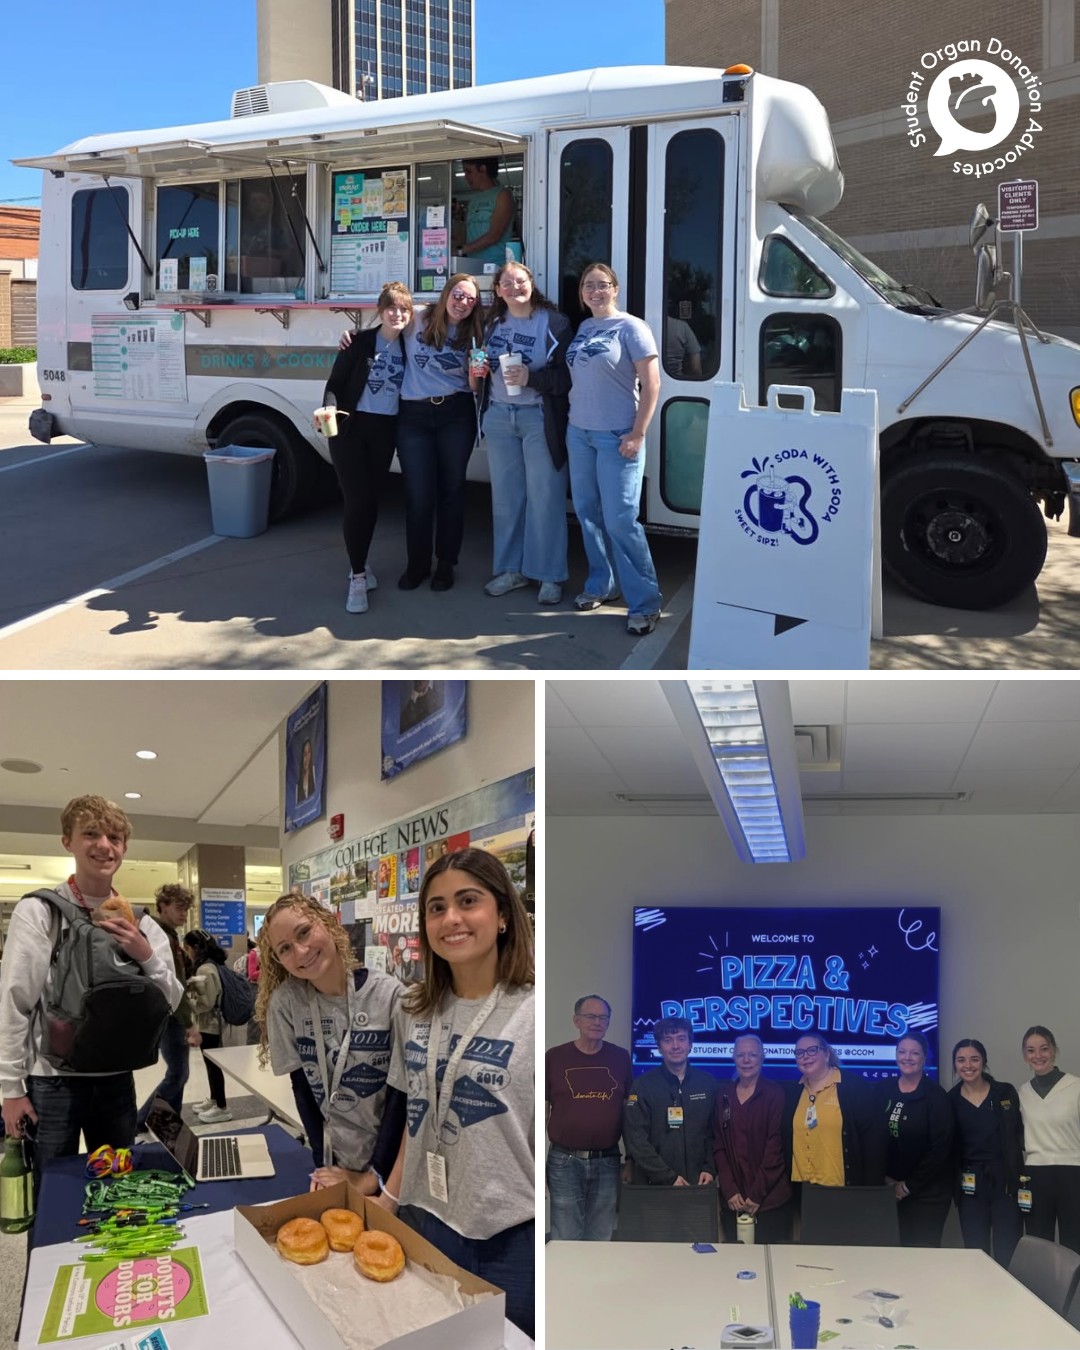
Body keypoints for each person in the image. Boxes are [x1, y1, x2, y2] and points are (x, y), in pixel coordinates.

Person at [376, 848, 534, 1339]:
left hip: (508, 1235)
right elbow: (416, 1114)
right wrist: (389, 1198)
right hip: (426, 1220)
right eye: (437, 907)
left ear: (502, 914)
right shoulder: (413, 1009)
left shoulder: (532, 1010)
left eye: (468, 901)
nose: (451, 919)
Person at [0, 796, 183, 1190]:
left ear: (124, 847)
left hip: (116, 1076)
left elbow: (171, 1000)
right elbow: (15, 1002)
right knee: (53, 1191)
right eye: (91, 834)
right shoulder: (41, 911)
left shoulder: (143, 922)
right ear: (67, 841)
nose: (104, 845)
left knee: (117, 1188)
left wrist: (144, 953)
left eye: (114, 837)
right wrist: (11, 1088)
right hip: (53, 1078)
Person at [257, 893, 405, 1192]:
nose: (301, 952)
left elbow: (401, 1096)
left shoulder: (389, 996)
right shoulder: (286, 1005)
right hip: (334, 1161)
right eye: (285, 948)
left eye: (304, 932)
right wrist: (323, 1167)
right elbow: (303, 1090)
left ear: (329, 923)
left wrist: (375, 1176)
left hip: (393, 1167)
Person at [346, 275, 484, 592]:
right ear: (446, 293)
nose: (463, 303)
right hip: (414, 416)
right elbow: (388, 326)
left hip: (456, 413)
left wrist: (477, 374)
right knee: (418, 494)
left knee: (451, 492)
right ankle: (418, 565)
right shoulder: (419, 317)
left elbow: (475, 386)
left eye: (470, 299)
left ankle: (446, 564)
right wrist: (353, 337)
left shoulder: (475, 332)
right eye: (458, 294)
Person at [565, 263, 662, 635]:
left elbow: (652, 384)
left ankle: (645, 603)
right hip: (579, 433)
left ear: (615, 289)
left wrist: (638, 433)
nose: (594, 291)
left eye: (602, 285)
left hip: (618, 435)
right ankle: (601, 584)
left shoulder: (632, 327)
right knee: (588, 513)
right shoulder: (585, 328)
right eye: (587, 285)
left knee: (621, 520)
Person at [472, 261, 572, 606]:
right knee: (506, 498)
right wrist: (479, 369)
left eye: (520, 281)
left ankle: (549, 575)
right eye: (507, 283)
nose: (514, 287)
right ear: (498, 291)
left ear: (531, 283)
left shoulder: (554, 323)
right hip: (499, 416)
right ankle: (511, 570)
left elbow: (567, 378)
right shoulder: (491, 324)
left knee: (546, 497)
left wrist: (532, 378)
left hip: (538, 417)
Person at [321, 281, 411, 613]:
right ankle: (357, 576)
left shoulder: (410, 346)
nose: (397, 314)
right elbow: (335, 384)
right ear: (380, 311)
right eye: (391, 308)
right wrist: (329, 410)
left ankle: (359, 561)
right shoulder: (359, 342)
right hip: (349, 430)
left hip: (384, 433)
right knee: (356, 500)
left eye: (403, 309)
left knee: (370, 501)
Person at [546, 994, 633, 1240]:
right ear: (576, 1020)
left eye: (603, 1018)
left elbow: (628, 1111)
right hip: (564, 1161)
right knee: (565, 1236)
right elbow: (541, 1112)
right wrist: (536, 1164)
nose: (597, 1022)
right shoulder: (554, 1057)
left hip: (608, 1161)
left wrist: (631, 1159)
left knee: (601, 1235)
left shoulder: (621, 1057)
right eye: (591, 1016)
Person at [947, 1037, 1024, 1267]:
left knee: (1008, 1250)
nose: (968, 1065)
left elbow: (1019, 1132)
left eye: (974, 1059)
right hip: (970, 1184)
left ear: (984, 1061)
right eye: (961, 1060)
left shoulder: (1004, 1093)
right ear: (955, 1064)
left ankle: (1009, 1291)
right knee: (975, 1251)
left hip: (1005, 1182)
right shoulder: (949, 1100)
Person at [714, 1033, 793, 1243]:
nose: (746, 1060)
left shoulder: (775, 1094)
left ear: (762, 1058)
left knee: (772, 1260)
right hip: (734, 1201)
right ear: (733, 1057)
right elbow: (718, 1145)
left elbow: (775, 1148)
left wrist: (757, 1194)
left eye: (753, 1055)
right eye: (741, 1055)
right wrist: (729, 1190)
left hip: (770, 1201)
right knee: (736, 1261)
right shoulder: (723, 1095)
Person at [783, 1032, 886, 1192]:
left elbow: (874, 1143)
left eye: (812, 1050)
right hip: (803, 1188)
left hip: (844, 1190)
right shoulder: (793, 1091)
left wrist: (870, 1189)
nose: (805, 1056)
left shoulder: (854, 1088)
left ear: (826, 1054)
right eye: (799, 1052)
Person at [623, 1016, 717, 1188]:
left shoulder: (707, 1083)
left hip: (699, 1183)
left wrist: (710, 1168)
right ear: (659, 1047)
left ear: (690, 1044)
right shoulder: (642, 1086)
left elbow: (715, 1134)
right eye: (668, 1040)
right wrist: (667, 1177)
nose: (675, 1046)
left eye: (681, 1039)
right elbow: (636, 1140)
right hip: (656, 1185)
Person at [880, 1031, 954, 1246]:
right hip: (888, 1191)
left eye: (914, 1053)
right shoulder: (883, 1089)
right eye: (902, 1052)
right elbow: (873, 1135)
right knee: (891, 1255)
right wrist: (886, 1179)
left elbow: (940, 1149)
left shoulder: (936, 1097)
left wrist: (907, 1186)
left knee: (922, 1256)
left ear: (925, 1058)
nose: (907, 1057)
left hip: (927, 1195)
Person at [135, 884, 197, 1132]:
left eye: (186, 909)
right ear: (163, 906)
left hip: (166, 1012)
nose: (183, 914)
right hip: (170, 1015)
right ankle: (141, 1120)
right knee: (178, 1073)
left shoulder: (167, 935)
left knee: (178, 1072)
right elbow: (173, 983)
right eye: (179, 908)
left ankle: (171, 1121)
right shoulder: (161, 936)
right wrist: (189, 1022)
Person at [1018, 1025, 1080, 1253]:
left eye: (1044, 1048)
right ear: (1025, 1056)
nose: (1038, 1055)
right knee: (1038, 1244)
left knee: (1074, 1243)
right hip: (1036, 1174)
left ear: (1054, 1050)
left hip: (1072, 1172)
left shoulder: (1076, 1087)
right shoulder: (1022, 1093)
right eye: (1031, 1050)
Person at [183, 929, 232, 1124]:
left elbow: (206, 1003)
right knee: (210, 1066)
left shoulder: (205, 969)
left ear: (195, 948)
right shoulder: (212, 965)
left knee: (213, 1067)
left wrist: (187, 1001)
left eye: (187, 948)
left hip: (210, 1025)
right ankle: (214, 1100)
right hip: (210, 1024)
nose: (187, 953)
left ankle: (222, 1107)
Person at [457, 158, 515, 264]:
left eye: (469, 171)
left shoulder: (503, 195)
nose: (466, 177)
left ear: (483, 169)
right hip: (472, 264)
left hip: (496, 264)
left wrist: (462, 250)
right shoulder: (473, 200)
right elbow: (466, 234)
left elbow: (495, 235)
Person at [296, 738, 316, 803]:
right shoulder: (298, 784)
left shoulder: (315, 774)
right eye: (304, 754)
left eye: (308, 753)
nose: (306, 758)